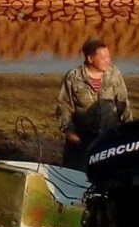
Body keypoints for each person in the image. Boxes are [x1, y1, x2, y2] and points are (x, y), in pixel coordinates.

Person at [55, 39, 132, 171]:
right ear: (90, 59)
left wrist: (129, 129)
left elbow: (123, 104)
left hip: (109, 137)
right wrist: (69, 131)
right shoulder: (73, 77)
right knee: (76, 175)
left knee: (109, 174)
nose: (108, 60)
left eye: (108, 56)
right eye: (103, 57)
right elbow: (64, 106)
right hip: (81, 139)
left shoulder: (115, 74)